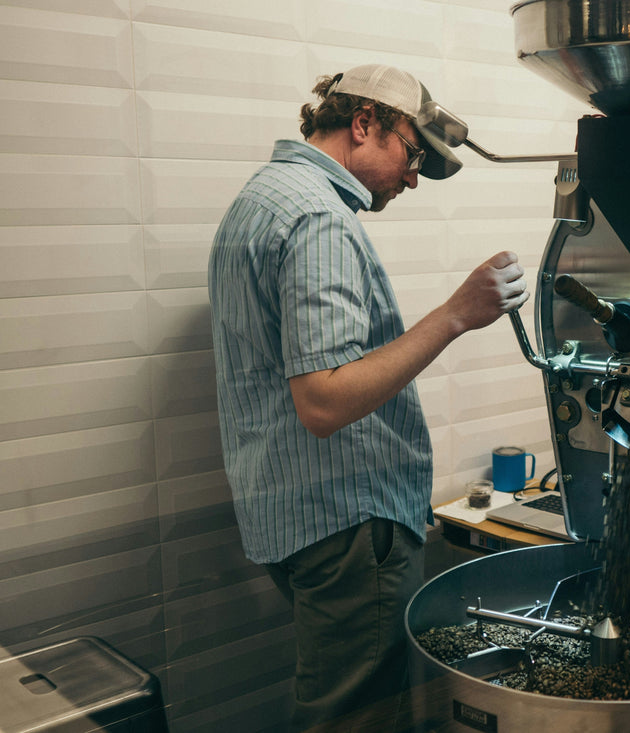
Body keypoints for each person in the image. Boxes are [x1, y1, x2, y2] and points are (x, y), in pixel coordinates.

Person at [207, 64, 529, 732]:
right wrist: (457, 313)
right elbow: (324, 401)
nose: (412, 178)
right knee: (361, 719)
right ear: (363, 124)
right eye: (412, 155)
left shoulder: (260, 198)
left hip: (287, 511)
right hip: (348, 524)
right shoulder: (320, 219)